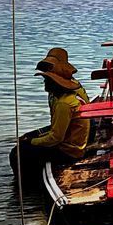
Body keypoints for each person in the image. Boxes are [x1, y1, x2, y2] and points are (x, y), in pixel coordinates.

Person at [10, 48, 91, 181]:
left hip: (69, 150)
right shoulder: (65, 93)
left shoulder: (63, 103)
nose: (44, 83)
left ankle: (27, 185)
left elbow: (56, 138)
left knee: (17, 153)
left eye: (47, 80)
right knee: (29, 138)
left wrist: (32, 142)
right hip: (71, 136)